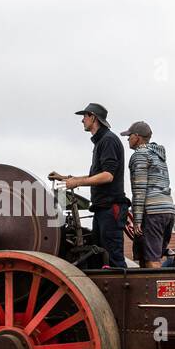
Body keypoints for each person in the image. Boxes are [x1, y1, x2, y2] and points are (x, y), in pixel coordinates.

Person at [48, 103, 128, 267]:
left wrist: (77, 182)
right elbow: (95, 176)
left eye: (84, 116)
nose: (82, 121)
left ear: (93, 117)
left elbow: (107, 175)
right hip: (102, 209)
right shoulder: (102, 142)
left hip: (110, 208)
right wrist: (66, 178)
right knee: (100, 257)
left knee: (113, 258)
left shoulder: (108, 141)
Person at [119, 120, 175, 268]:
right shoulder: (159, 155)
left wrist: (137, 220)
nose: (127, 139)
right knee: (150, 255)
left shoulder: (139, 156)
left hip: (152, 212)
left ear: (137, 137)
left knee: (152, 259)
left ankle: (156, 290)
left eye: (129, 135)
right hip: (168, 210)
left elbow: (139, 190)